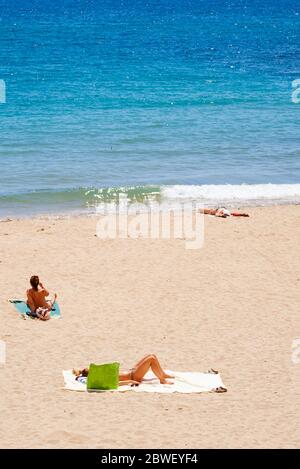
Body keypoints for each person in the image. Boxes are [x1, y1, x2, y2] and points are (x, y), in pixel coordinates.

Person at [73, 354, 175, 386]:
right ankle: (162, 380)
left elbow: (76, 372)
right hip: (133, 376)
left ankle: (163, 374)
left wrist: (79, 373)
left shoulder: (101, 373)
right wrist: (130, 381)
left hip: (132, 370)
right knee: (151, 359)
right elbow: (116, 383)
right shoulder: (101, 379)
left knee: (152, 355)